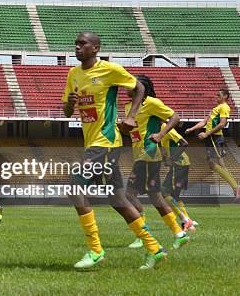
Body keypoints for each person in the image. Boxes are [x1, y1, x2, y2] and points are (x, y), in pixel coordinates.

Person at [62, 31, 166, 270]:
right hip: (92, 142)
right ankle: (155, 248)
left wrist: (131, 117)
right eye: (76, 43)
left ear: (96, 48)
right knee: (118, 199)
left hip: (106, 142)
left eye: (83, 43)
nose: (77, 47)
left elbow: (139, 87)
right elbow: (67, 112)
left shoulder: (110, 70)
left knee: (74, 186)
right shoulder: (73, 74)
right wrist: (70, 102)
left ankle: (96, 250)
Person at [123, 75, 190, 250]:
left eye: (132, 84)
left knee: (129, 194)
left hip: (149, 153)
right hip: (140, 154)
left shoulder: (152, 102)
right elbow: (132, 131)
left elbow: (175, 118)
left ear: (141, 88)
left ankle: (142, 234)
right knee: (155, 196)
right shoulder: (129, 106)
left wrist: (160, 135)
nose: (127, 86)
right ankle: (179, 233)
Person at [186, 88, 239, 201]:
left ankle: (236, 188)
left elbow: (222, 124)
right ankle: (236, 189)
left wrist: (207, 133)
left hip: (215, 138)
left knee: (217, 164)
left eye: (218, 95)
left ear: (225, 97)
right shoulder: (215, 108)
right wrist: (191, 129)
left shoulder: (224, 107)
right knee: (215, 164)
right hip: (210, 138)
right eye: (216, 95)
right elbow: (205, 121)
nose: (216, 97)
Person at [160, 124, 197, 231]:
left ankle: (186, 221)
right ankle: (188, 222)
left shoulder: (165, 128)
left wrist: (172, 159)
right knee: (175, 196)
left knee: (164, 192)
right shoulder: (161, 130)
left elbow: (184, 143)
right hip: (181, 164)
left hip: (179, 164)